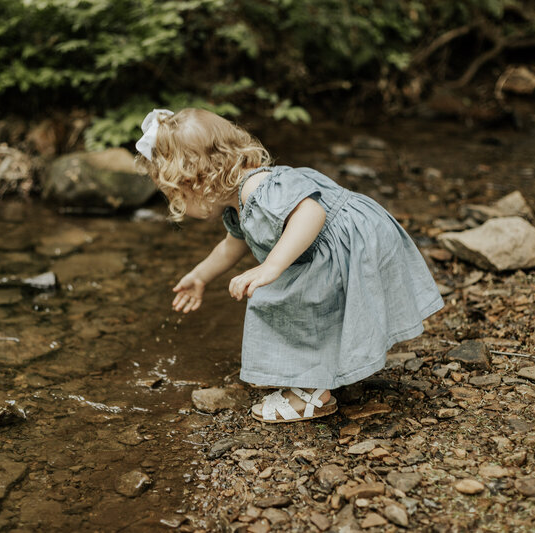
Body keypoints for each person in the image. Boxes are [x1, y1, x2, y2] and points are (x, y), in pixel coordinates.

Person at [135, 108, 443, 423]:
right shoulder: (240, 202)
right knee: (294, 288)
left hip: (348, 243)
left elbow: (311, 214)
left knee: (284, 297)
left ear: (200, 179)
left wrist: (272, 267)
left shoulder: (259, 189)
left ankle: (311, 394)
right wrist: (200, 275)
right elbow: (233, 245)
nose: (180, 207)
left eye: (178, 195)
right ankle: (321, 368)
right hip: (353, 237)